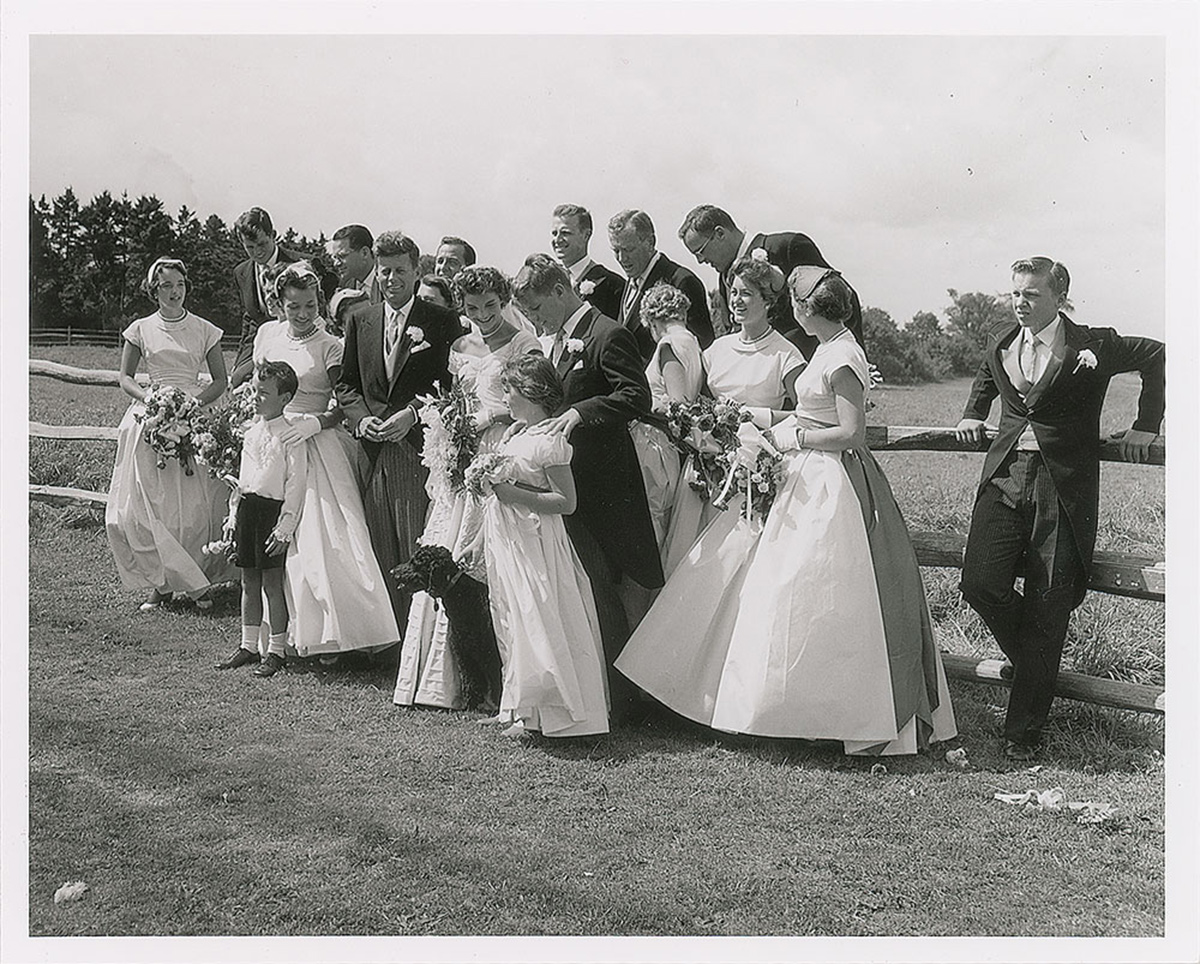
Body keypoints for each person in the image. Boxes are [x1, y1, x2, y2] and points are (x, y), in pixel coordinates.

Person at [618, 263, 957, 754]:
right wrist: (761, 423)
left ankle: (826, 711)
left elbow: (850, 433)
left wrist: (794, 436)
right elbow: (805, 409)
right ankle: (761, 706)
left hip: (829, 480)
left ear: (802, 307)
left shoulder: (843, 356)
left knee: (815, 589)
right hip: (800, 471)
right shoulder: (826, 349)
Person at [954, 257, 1164, 761]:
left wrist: (1146, 422)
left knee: (1050, 602)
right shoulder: (1003, 338)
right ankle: (1037, 664)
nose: (1019, 303)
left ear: (1058, 297)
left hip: (1062, 485)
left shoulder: (1093, 344)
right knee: (979, 581)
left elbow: (1159, 355)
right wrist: (971, 412)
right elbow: (989, 373)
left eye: (1030, 295)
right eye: (1015, 294)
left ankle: (1022, 734)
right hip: (1005, 476)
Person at [512, 254, 663, 725]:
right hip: (567, 479)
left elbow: (637, 396)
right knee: (582, 588)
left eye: (537, 308)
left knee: (615, 587)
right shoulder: (552, 341)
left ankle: (627, 699)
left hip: (607, 483)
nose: (535, 320)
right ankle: (592, 692)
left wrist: (581, 413)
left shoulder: (608, 333)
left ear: (560, 291)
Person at [396, 265, 541, 709]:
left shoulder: (522, 342)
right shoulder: (460, 345)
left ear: (504, 300)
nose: (484, 316)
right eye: (474, 309)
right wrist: (449, 425)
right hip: (460, 454)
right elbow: (451, 397)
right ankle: (445, 679)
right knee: (447, 546)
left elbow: (534, 404)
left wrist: (493, 419)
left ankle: (501, 680)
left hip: (500, 448)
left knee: (486, 556)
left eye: (492, 306)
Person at [253, 262, 401, 663]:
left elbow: (345, 400)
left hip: (317, 445)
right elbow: (259, 391)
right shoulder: (267, 336)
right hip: (273, 443)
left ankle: (334, 635)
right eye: (293, 306)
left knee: (320, 541)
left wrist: (316, 422)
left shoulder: (330, 345)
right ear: (279, 304)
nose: (302, 315)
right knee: (270, 533)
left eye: (310, 305)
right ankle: (283, 633)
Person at [479, 354, 609, 738]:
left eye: (509, 389)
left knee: (538, 617)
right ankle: (518, 707)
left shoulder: (549, 442)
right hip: (509, 538)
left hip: (536, 541)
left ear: (531, 392)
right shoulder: (516, 433)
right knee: (511, 616)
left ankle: (549, 713)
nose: (504, 396)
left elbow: (566, 502)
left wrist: (511, 494)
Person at [336, 230, 459, 629]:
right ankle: (392, 638)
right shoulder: (360, 319)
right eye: (385, 271)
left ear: (416, 272)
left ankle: (419, 640)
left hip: (415, 449)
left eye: (400, 271)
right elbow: (346, 384)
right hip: (371, 450)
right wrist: (360, 419)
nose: (391, 280)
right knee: (379, 544)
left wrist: (412, 413)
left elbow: (451, 384)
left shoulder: (440, 321)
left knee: (414, 542)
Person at [107, 257, 237, 611]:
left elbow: (221, 381)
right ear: (154, 290)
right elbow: (126, 378)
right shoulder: (140, 329)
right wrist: (153, 399)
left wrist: (191, 403)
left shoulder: (205, 329)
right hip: (150, 418)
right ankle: (161, 585)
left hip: (193, 419)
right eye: (166, 285)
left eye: (179, 284)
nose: (174, 291)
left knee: (195, 509)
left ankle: (198, 582)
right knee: (148, 507)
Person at [215, 360, 307, 678]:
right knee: (248, 581)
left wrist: (284, 529)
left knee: (271, 584)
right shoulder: (252, 432)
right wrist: (233, 517)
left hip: (272, 513)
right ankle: (248, 646)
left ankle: (277, 652)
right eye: (255, 390)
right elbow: (242, 481)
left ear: (285, 398)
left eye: (264, 393)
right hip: (248, 511)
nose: (256, 397)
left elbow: (295, 487)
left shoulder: (292, 437)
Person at [678, 204, 864, 359]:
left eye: (700, 251)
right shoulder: (725, 278)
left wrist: (844, 362)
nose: (700, 261)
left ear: (720, 233)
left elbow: (844, 299)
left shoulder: (787, 247)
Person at [629, 282, 704, 552]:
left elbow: (678, 405)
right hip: (663, 444)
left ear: (652, 320)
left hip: (654, 443)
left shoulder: (669, 344)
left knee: (652, 525)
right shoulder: (692, 342)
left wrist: (635, 402)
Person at [608, 209, 713, 361]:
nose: (622, 258)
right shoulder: (632, 281)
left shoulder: (682, 281)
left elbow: (701, 349)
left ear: (650, 242)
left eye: (628, 249)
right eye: (616, 250)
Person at [231, 207, 303, 386]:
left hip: (296, 340)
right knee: (237, 380)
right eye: (250, 247)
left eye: (262, 244)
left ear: (273, 235)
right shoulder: (241, 272)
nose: (257, 252)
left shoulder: (300, 265)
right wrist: (240, 362)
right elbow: (250, 319)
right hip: (260, 342)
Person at [551, 203, 624, 321]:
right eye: (554, 233)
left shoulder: (613, 286)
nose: (557, 240)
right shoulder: (550, 283)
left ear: (586, 235)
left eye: (565, 233)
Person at [326, 224, 381, 303]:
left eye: (342, 256)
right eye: (335, 258)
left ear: (364, 253)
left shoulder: (388, 283)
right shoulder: (344, 288)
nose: (336, 263)